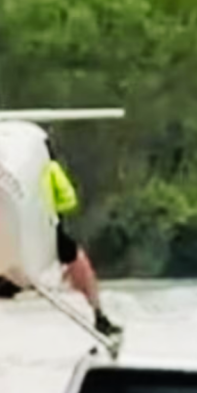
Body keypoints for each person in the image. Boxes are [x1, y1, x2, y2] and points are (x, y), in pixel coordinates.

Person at [44, 138, 120, 337]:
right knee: (79, 260)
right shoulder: (50, 168)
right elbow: (69, 201)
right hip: (45, 232)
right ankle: (99, 315)